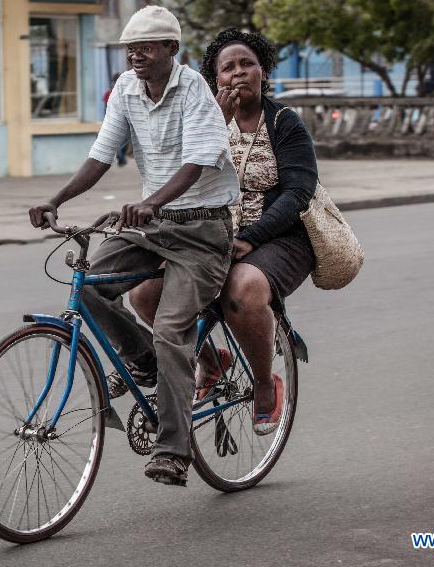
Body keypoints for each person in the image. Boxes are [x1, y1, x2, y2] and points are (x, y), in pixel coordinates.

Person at [29, 6, 239, 487]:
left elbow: (200, 161)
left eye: (146, 47)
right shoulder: (126, 89)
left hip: (202, 230)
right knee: (88, 285)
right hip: (153, 224)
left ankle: (173, 449)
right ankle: (144, 364)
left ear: (172, 49)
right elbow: (101, 156)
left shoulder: (195, 90)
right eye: (130, 48)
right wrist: (54, 199)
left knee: (171, 329)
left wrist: (152, 201)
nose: (135, 55)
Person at [115, 28, 318, 438]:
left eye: (247, 65)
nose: (238, 74)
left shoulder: (284, 123)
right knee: (144, 293)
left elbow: (299, 192)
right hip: (207, 233)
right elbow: (178, 174)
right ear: (215, 79)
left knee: (240, 290)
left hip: (277, 236)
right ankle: (211, 362)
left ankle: (264, 384)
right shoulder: (204, 117)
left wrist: (253, 237)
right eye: (228, 68)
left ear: (264, 71)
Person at [103, 73, 128, 166]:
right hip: (120, 119)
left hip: (114, 119)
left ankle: (120, 158)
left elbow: (105, 107)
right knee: (122, 141)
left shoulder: (109, 92)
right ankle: (121, 158)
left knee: (118, 141)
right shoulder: (121, 91)